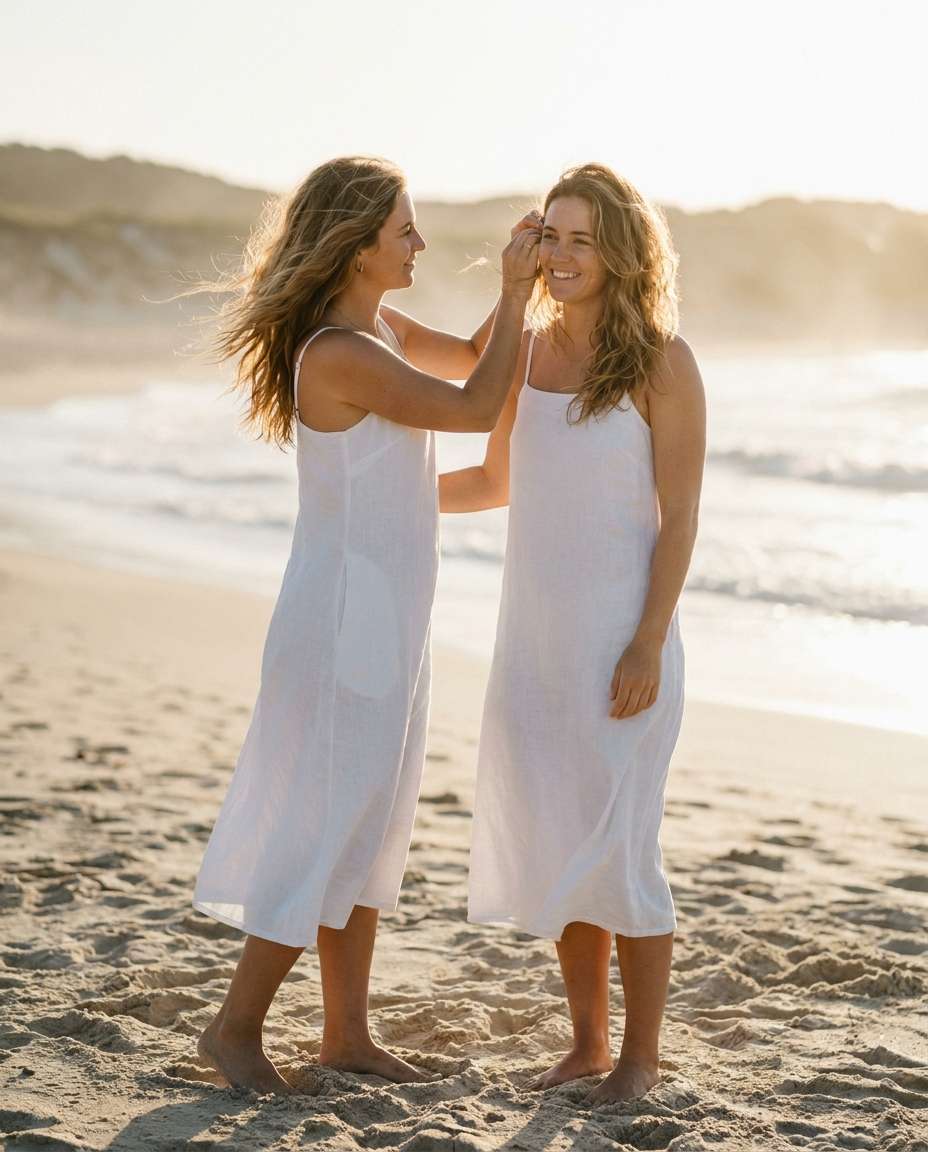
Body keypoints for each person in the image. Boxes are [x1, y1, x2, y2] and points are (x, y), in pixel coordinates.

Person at [192, 156, 540, 1093]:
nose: (419, 244)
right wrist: (514, 292)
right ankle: (234, 1028)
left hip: (389, 617)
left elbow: (473, 362)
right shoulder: (339, 354)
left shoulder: (379, 329)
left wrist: (529, 283)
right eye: (405, 231)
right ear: (356, 249)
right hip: (348, 619)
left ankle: (345, 1034)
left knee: (371, 822)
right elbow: (475, 407)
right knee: (329, 817)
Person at [440, 163, 705, 1104]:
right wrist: (381, 504)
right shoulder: (530, 349)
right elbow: (492, 478)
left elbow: (678, 518)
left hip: (622, 643)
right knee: (563, 839)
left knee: (621, 845)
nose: (560, 255)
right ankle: (587, 1044)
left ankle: (639, 1059)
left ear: (625, 252)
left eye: (581, 239)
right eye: (550, 234)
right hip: (537, 641)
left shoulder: (664, 362)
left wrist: (647, 641)